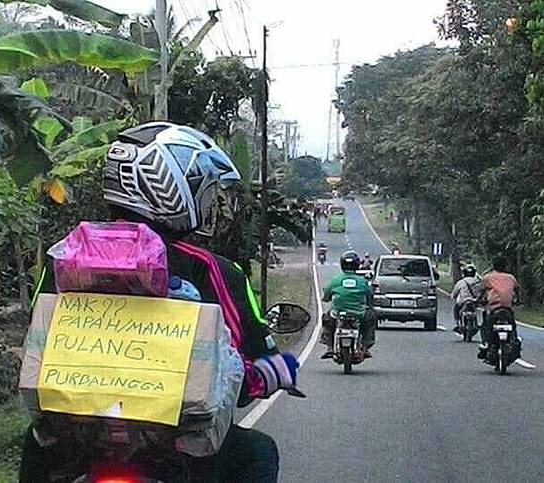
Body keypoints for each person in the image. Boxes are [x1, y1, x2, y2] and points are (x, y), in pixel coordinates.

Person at [20, 122, 299, 482]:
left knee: (36, 444)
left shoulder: (64, 258)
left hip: (79, 446)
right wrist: (273, 372)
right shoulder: (213, 269)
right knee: (259, 453)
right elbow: (251, 371)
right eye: (202, 189)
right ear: (168, 187)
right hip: (177, 456)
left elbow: (37, 346)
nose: (207, 202)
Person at [320, 251, 375, 359]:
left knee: (327, 320)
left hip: (338, 312)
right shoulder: (362, 281)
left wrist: (326, 298)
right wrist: (369, 304)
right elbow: (369, 295)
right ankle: (365, 347)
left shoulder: (336, 280)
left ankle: (330, 347)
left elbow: (327, 294)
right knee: (370, 319)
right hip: (359, 313)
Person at [477, 255, 520, 358]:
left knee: (485, 326)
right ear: (505, 266)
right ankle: (514, 341)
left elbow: (481, 291)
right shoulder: (511, 278)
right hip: (507, 308)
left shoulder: (488, 278)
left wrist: (479, 300)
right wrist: (517, 300)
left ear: (493, 266)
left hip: (493, 308)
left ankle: (486, 343)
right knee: (512, 326)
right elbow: (517, 291)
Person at [450, 264, 481, 332]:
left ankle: (458, 323)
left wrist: (453, 296)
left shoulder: (461, 282)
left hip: (463, 301)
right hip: (474, 301)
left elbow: (454, 294)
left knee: (456, 309)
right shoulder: (478, 282)